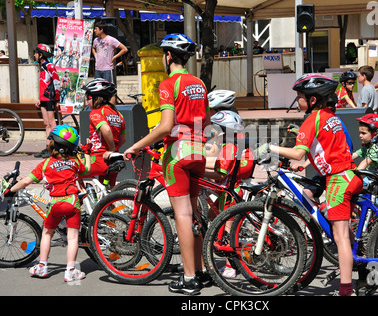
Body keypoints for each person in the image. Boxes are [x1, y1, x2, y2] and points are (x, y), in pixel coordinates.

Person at [254, 74, 363, 296]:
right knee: (346, 234)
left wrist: (269, 147)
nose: (297, 101)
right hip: (351, 175)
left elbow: (297, 153)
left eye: (300, 97)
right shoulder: (329, 115)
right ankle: (363, 274)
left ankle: (345, 289)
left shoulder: (311, 120)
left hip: (338, 180)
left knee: (340, 236)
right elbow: (324, 142)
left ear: (312, 100)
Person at [123, 33, 211, 295]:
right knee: (194, 213)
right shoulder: (199, 83)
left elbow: (166, 126)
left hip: (178, 155)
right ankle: (202, 271)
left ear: (169, 56)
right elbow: (204, 122)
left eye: (164, 54)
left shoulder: (168, 84)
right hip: (198, 151)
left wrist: (136, 146)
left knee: (182, 216)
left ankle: (189, 278)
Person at [3, 125, 90, 282]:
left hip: (56, 203)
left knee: (47, 233)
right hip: (73, 202)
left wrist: (10, 190)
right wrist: (87, 154)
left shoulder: (45, 164)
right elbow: (88, 169)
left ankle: (42, 266)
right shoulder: (74, 162)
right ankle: (71, 271)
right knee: (72, 238)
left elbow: (26, 182)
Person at [204, 110, 254, 278]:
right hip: (228, 190)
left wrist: (196, 171)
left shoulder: (229, 147)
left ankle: (231, 266)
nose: (212, 132)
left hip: (230, 193)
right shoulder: (231, 145)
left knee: (228, 229)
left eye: (215, 129)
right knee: (212, 215)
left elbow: (221, 174)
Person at [80, 78, 126, 187]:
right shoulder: (119, 114)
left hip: (99, 158)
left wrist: (110, 149)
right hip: (114, 160)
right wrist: (113, 151)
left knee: (70, 171)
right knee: (108, 197)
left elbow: (106, 129)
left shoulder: (96, 112)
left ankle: (79, 200)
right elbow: (123, 139)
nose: (87, 101)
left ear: (97, 98)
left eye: (88, 98)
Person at [352, 113, 378, 200]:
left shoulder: (377, 148)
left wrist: (352, 176)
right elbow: (353, 156)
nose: (360, 136)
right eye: (360, 133)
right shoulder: (367, 146)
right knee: (356, 194)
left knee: (376, 202)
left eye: (363, 133)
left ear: (375, 133)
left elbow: (364, 163)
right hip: (372, 179)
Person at [34, 44, 61, 159]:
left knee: (52, 123)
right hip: (44, 99)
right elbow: (44, 84)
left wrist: (57, 99)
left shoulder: (49, 66)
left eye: (35, 53)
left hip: (50, 98)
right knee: (46, 124)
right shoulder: (42, 67)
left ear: (41, 55)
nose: (34, 55)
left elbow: (57, 82)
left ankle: (54, 147)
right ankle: (48, 147)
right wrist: (40, 99)